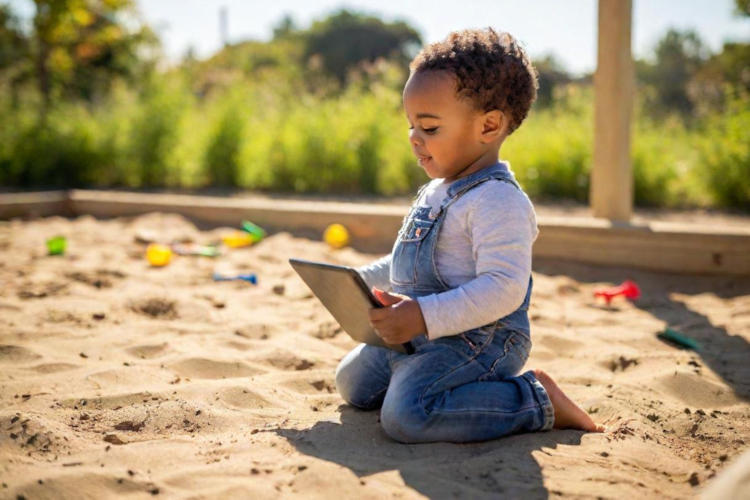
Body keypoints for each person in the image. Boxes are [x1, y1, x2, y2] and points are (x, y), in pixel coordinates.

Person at [335, 28, 603, 443]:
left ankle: (535, 399)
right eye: (411, 124)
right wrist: (358, 281)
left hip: (480, 339)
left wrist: (423, 316)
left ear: (489, 126)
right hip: (418, 333)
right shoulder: (438, 188)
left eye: (429, 127)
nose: (413, 137)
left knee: (406, 417)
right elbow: (407, 262)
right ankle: (424, 379)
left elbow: (504, 287)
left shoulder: (498, 201)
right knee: (351, 384)